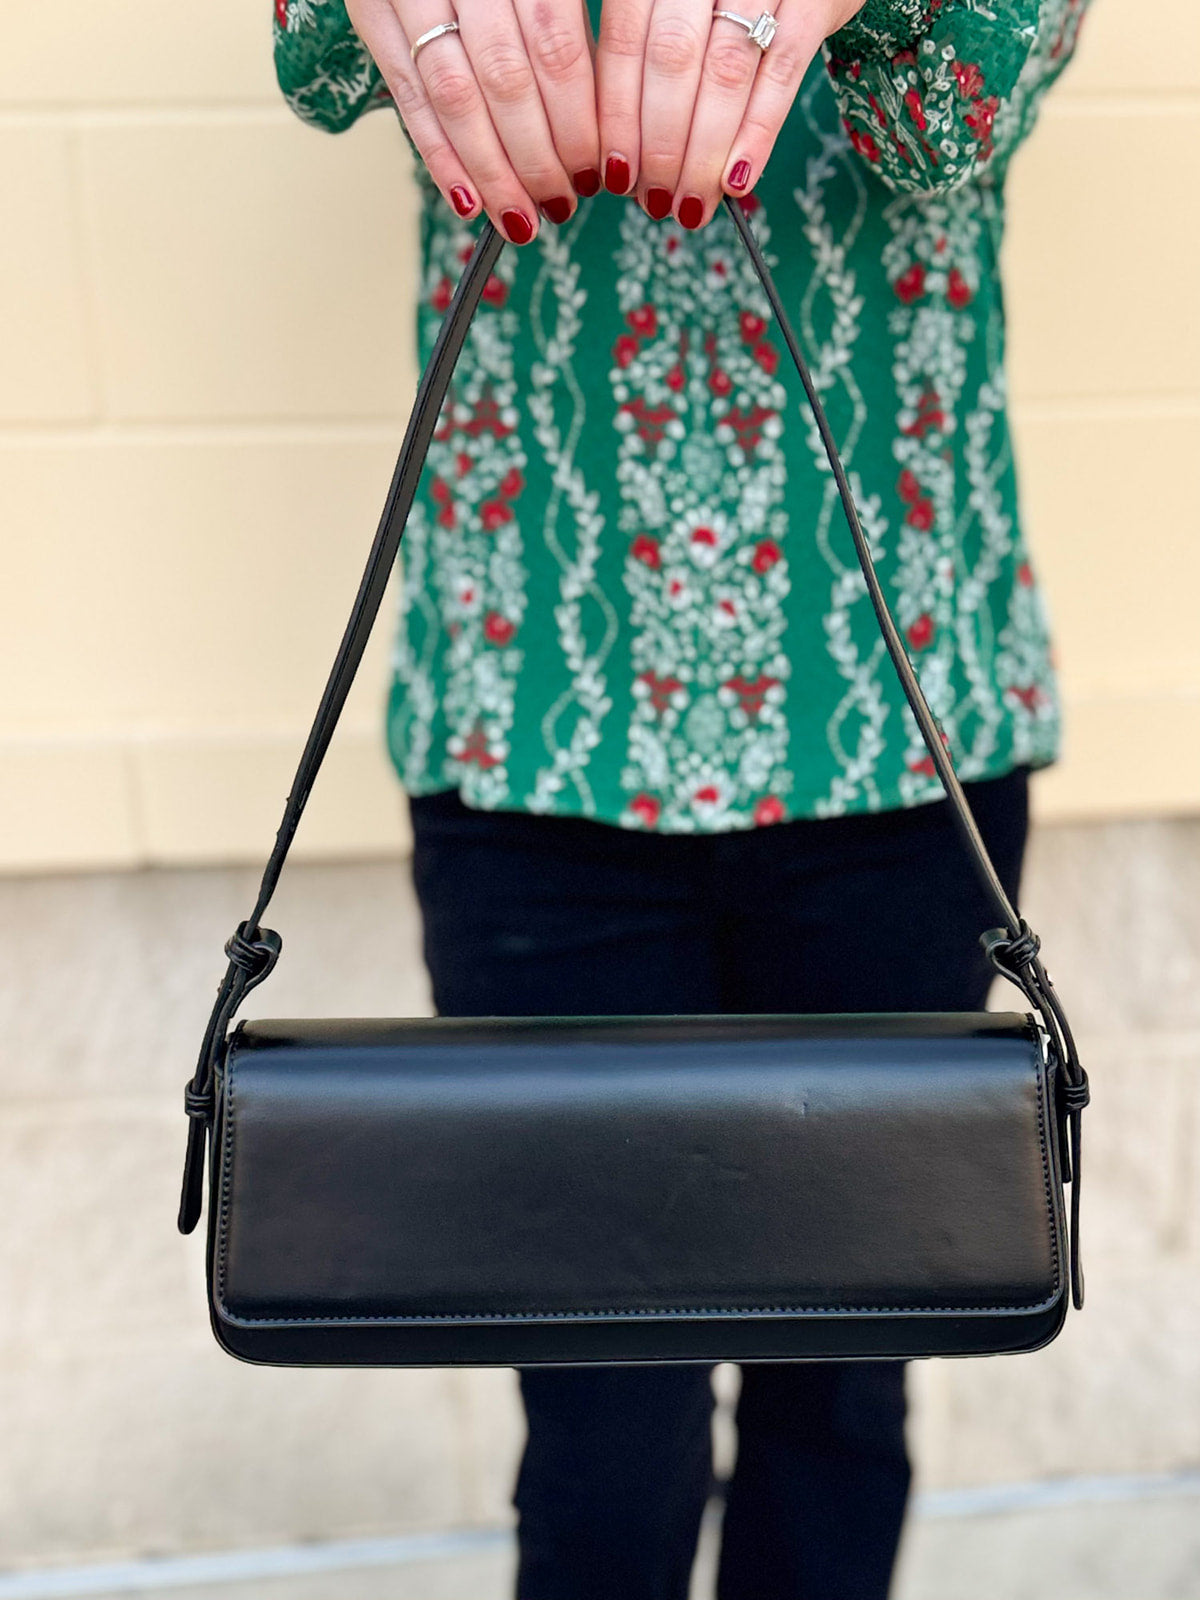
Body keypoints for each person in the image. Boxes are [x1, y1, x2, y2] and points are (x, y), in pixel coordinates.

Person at [274, 1, 1089, 1594]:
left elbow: (954, 122)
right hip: (539, 716)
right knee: (595, 1410)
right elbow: (316, 65)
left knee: (844, 1383)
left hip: (894, 720)